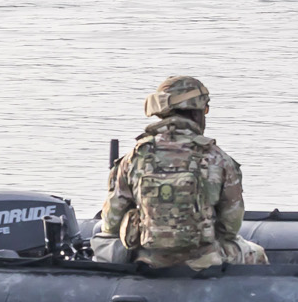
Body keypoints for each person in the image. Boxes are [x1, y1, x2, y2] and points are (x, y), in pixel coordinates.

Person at [97, 76, 269, 269]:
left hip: (147, 259)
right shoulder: (217, 158)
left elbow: (111, 221)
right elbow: (230, 226)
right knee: (257, 254)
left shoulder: (134, 158)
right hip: (204, 260)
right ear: (198, 112)